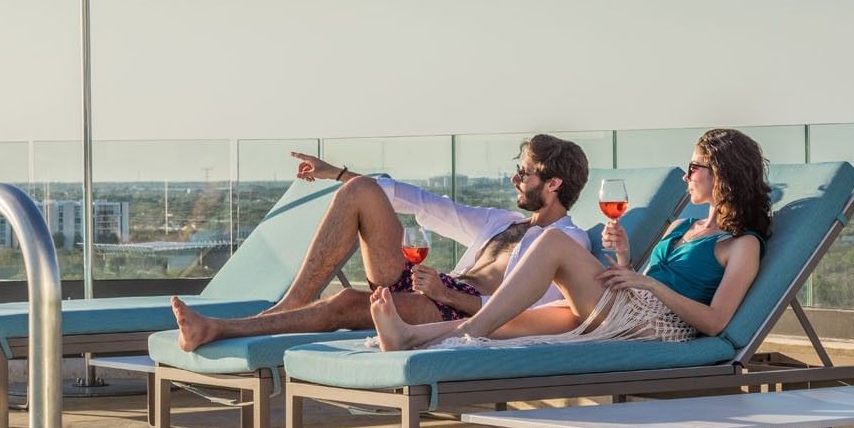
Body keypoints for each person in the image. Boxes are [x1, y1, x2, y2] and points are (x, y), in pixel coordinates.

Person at [172, 135, 592, 351]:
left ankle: (217, 329)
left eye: (525, 173)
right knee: (363, 190)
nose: (515, 179)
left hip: (451, 306)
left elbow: (526, 313)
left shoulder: (568, 244)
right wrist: (336, 173)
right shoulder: (501, 221)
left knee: (345, 303)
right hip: (434, 287)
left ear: (553, 183)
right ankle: (292, 303)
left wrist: (447, 294)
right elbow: (422, 203)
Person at [370, 128, 770, 351]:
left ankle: (462, 332)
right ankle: (409, 336)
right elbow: (641, 282)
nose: (686, 175)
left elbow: (716, 322)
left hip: (660, 326)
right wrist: (625, 261)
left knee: (554, 243)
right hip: (632, 306)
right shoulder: (681, 225)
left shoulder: (742, 245)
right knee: (506, 325)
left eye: (694, 167)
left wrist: (647, 284)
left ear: (721, 173)